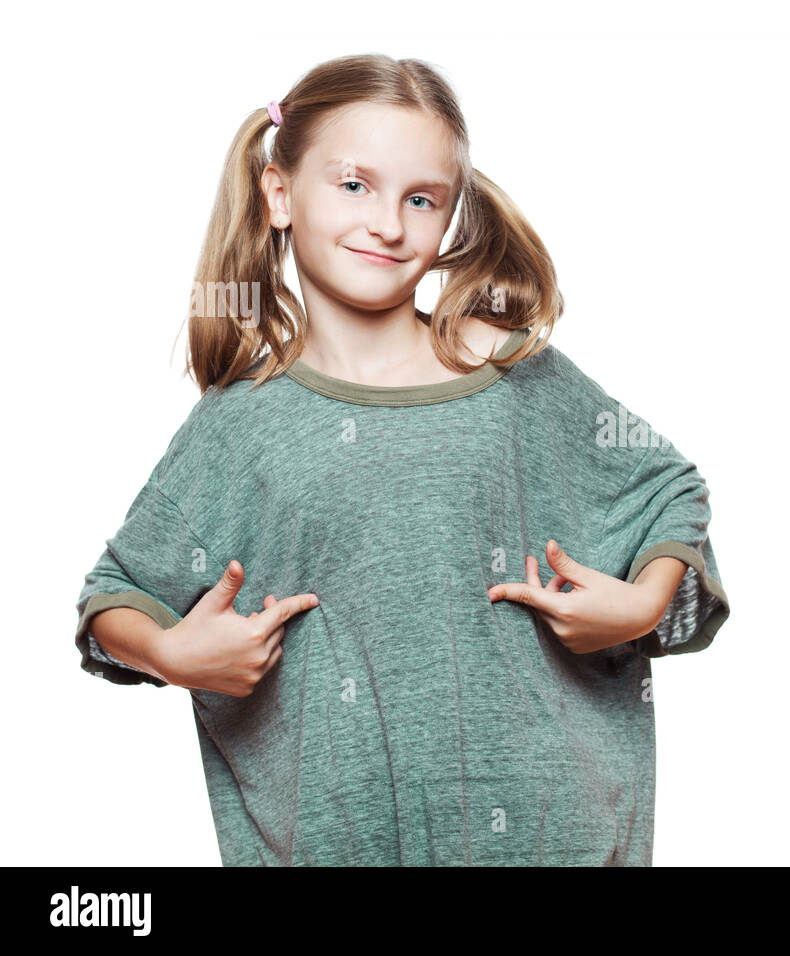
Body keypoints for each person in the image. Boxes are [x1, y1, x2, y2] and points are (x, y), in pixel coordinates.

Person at [73, 53, 731, 866]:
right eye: (354, 185)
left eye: (421, 199)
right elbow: (114, 597)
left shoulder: (504, 370)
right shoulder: (240, 426)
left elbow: (667, 486)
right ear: (279, 194)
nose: (388, 224)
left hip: (553, 838)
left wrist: (639, 607)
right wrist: (171, 653)